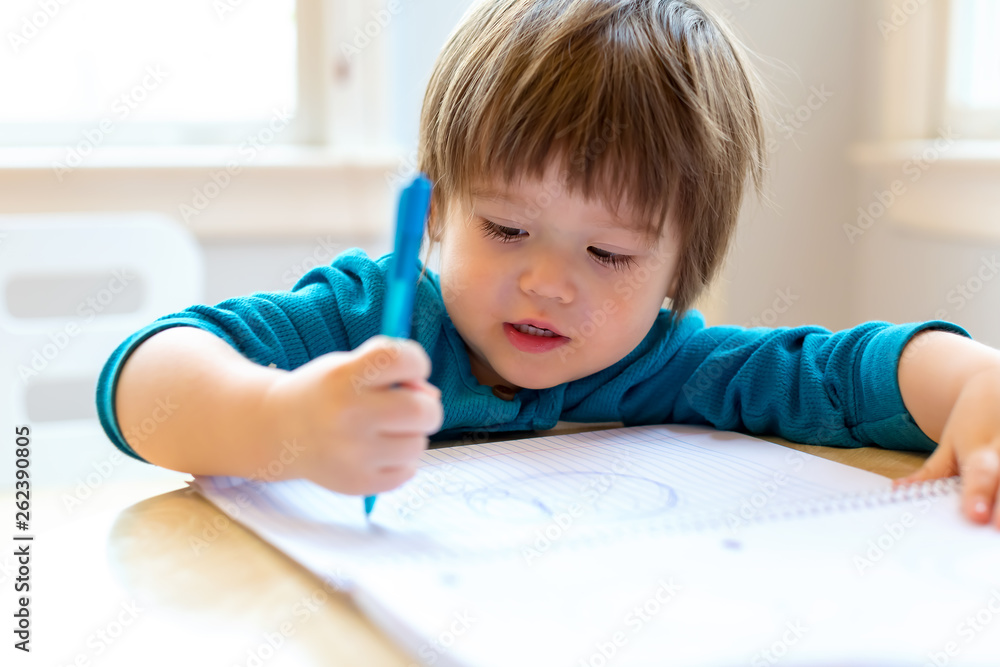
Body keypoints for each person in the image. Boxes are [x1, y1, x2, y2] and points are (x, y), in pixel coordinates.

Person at [96, 0, 1000, 526]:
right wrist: (282, 416)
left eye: (609, 252)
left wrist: (977, 389)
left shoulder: (666, 362)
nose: (548, 283)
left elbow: (844, 376)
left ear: (680, 275)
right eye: (507, 230)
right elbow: (144, 379)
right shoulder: (369, 321)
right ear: (438, 209)